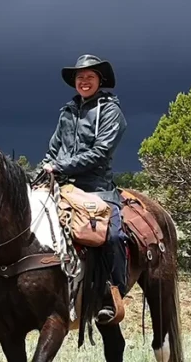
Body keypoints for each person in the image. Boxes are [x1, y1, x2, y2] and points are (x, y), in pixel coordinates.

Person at [38, 54, 128, 325]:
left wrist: (61, 166)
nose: (84, 81)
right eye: (80, 77)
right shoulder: (67, 112)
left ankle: (112, 294)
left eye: (90, 76)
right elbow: (53, 149)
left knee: (111, 236)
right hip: (62, 184)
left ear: (100, 80)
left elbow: (101, 153)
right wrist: (45, 168)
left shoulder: (111, 112)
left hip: (96, 187)